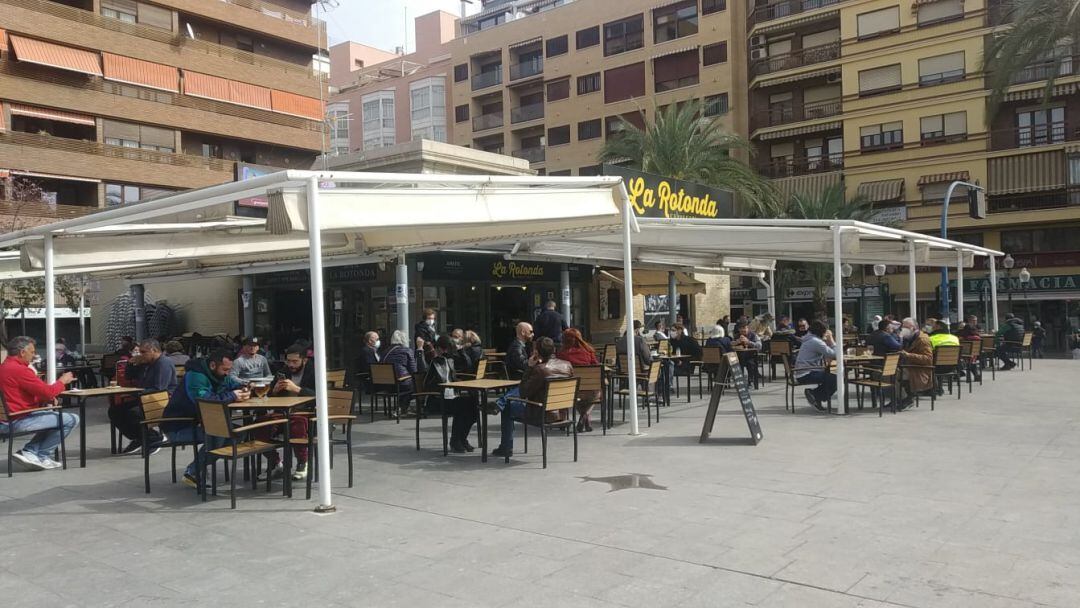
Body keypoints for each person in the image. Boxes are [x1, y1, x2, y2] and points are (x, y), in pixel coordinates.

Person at [160, 348, 250, 489]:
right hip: (177, 427)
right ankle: (194, 472)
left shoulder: (220, 375)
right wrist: (232, 396)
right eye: (225, 369)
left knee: (238, 433)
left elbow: (232, 384)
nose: (227, 373)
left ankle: (198, 468)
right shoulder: (195, 376)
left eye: (229, 370)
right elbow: (204, 401)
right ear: (213, 365)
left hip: (198, 423)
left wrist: (244, 388)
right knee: (220, 433)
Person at [0, 336, 78, 471]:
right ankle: (40, 454)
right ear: (22, 352)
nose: (34, 355)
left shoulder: (4, 367)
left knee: (51, 416)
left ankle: (31, 452)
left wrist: (44, 399)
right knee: (71, 419)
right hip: (16, 420)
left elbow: (16, 396)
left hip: (6, 419)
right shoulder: (20, 370)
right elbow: (48, 392)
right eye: (32, 352)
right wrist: (62, 381)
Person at [490, 337, 572, 459]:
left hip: (540, 413)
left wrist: (529, 367)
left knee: (508, 407)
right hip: (561, 413)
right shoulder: (567, 365)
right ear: (554, 350)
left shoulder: (540, 370)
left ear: (536, 352)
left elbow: (523, 392)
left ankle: (506, 447)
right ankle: (502, 402)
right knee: (510, 400)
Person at [251, 345, 316, 481]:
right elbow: (270, 395)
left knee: (297, 423)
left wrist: (297, 389)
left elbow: (319, 396)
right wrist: (274, 391)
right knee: (259, 425)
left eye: (295, 361)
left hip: (308, 413)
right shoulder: (283, 371)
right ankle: (275, 463)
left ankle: (302, 462)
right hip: (282, 412)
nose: (291, 365)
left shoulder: (314, 371)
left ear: (304, 360)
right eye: (288, 361)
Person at [111, 339, 177, 455]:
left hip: (160, 400)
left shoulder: (163, 363)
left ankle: (153, 438)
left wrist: (137, 393)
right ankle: (139, 437)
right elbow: (128, 377)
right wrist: (131, 363)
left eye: (143, 352)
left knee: (133, 413)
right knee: (115, 411)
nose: (141, 355)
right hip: (144, 398)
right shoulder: (146, 363)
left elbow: (159, 388)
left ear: (153, 350)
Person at [422, 335, 477, 453]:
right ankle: (455, 441)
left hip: (451, 397)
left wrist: (461, 350)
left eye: (449, 349)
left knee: (473, 405)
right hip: (437, 400)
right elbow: (426, 383)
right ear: (439, 348)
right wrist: (440, 386)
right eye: (444, 349)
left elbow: (468, 365)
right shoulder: (433, 362)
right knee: (461, 407)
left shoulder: (450, 360)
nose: (446, 352)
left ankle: (462, 439)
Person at [558, 328, 600, 432]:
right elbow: (597, 367)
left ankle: (583, 416)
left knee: (576, 397)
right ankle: (584, 416)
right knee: (599, 391)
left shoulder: (561, 354)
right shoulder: (588, 351)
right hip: (590, 390)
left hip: (571, 390)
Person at [793, 321, 836, 412]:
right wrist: (831, 340)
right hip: (806, 373)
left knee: (832, 376)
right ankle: (815, 395)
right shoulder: (816, 342)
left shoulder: (810, 339)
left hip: (802, 372)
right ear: (821, 331)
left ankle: (816, 397)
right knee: (836, 379)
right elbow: (834, 354)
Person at [381, 330, 419, 415]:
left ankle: (402, 408)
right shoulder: (407, 351)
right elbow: (414, 370)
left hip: (386, 385)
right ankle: (402, 408)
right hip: (402, 384)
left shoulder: (385, 352)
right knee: (417, 386)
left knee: (406, 385)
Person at [898, 317, 934, 405]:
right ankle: (900, 398)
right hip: (909, 366)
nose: (903, 329)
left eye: (906, 327)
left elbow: (928, 359)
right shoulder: (908, 338)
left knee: (894, 375)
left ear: (913, 328)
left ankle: (907, 398)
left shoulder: (922, 339)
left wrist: (908, 355)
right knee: (888, 373)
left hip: (919, 370)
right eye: (902, 326)